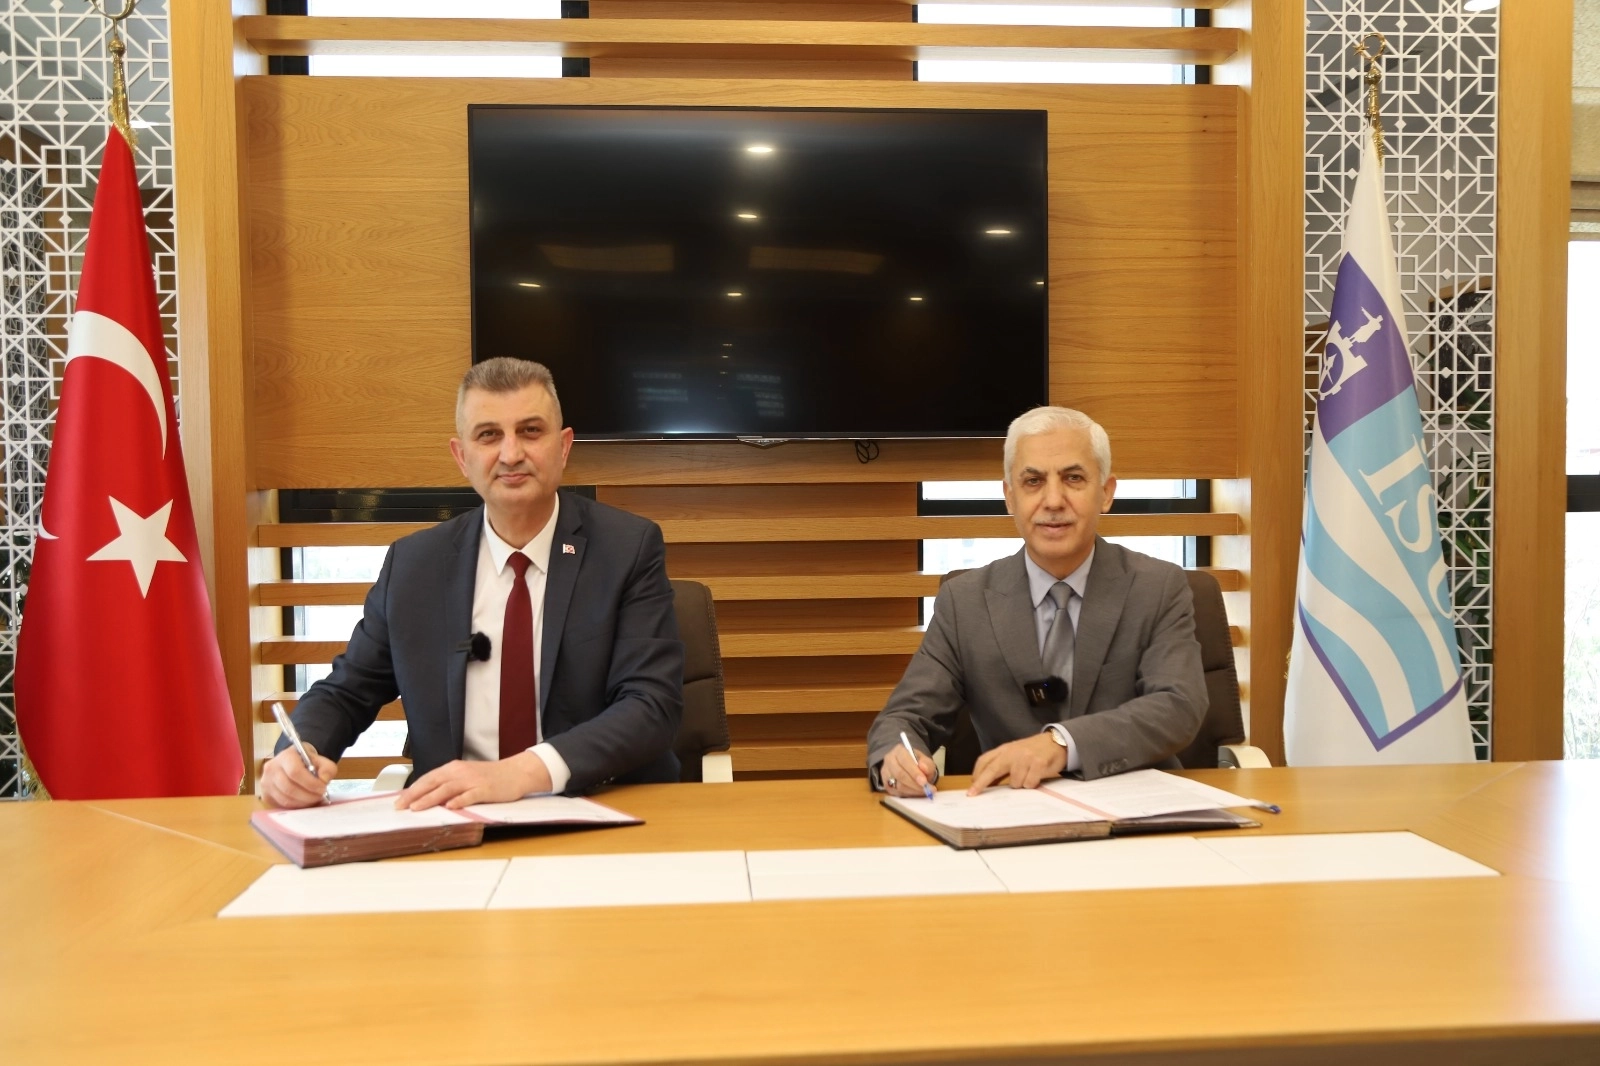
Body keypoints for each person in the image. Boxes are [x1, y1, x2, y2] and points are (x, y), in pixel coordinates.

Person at [260, 358, 683, 809]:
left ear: (563, 447)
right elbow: (347, 691)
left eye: (530, 431)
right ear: (462, 456)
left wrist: (521, 773)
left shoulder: (627, 548)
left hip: (600, 805)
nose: (511, 454)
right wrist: (299, 752)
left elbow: (651, 704)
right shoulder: (415, 565)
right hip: (456, 815)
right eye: (488, 435)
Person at [868, 406, 1206, 796]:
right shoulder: (965, 602)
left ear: (1106, 492)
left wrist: (1061, 744)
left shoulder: (1158, 587)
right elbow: (905, 718)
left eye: (1073, 478)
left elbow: (1178, 705)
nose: (1053, 500)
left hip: (1136, 806)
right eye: (1033, 481)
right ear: (1009, 497)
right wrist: (897, 760)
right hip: (1012, 808)